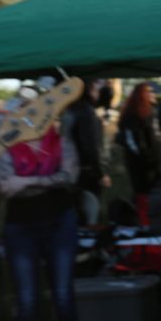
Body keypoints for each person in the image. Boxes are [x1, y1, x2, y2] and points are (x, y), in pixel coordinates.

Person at [0, 85, 80, 321]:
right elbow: (6, 186)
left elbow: (70, 177)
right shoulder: (6, 146)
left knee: (63, 294)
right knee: (27, 297)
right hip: (21, 226)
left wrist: (26, 181)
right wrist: (49, 181)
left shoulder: (61, 142)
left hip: (59, 222)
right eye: (23, 109)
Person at [64, 79, 110, 224]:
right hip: (86, 172)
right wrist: (100, 172)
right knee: (90, 213)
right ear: (90, 90)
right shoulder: (87, 112)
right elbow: (90, 145)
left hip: (70, 171)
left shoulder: (69, 110)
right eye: (96, 88)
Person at [117, 83, 161, 220]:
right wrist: (145, 157)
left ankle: (154, 218)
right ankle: (144, 220)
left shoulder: (150, 111)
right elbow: (132, 140)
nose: (152, 94)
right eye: (149, 92)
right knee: (142, 191)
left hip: (152, 159)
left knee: (153, 190)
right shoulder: (131, 115)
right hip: (139, 161)